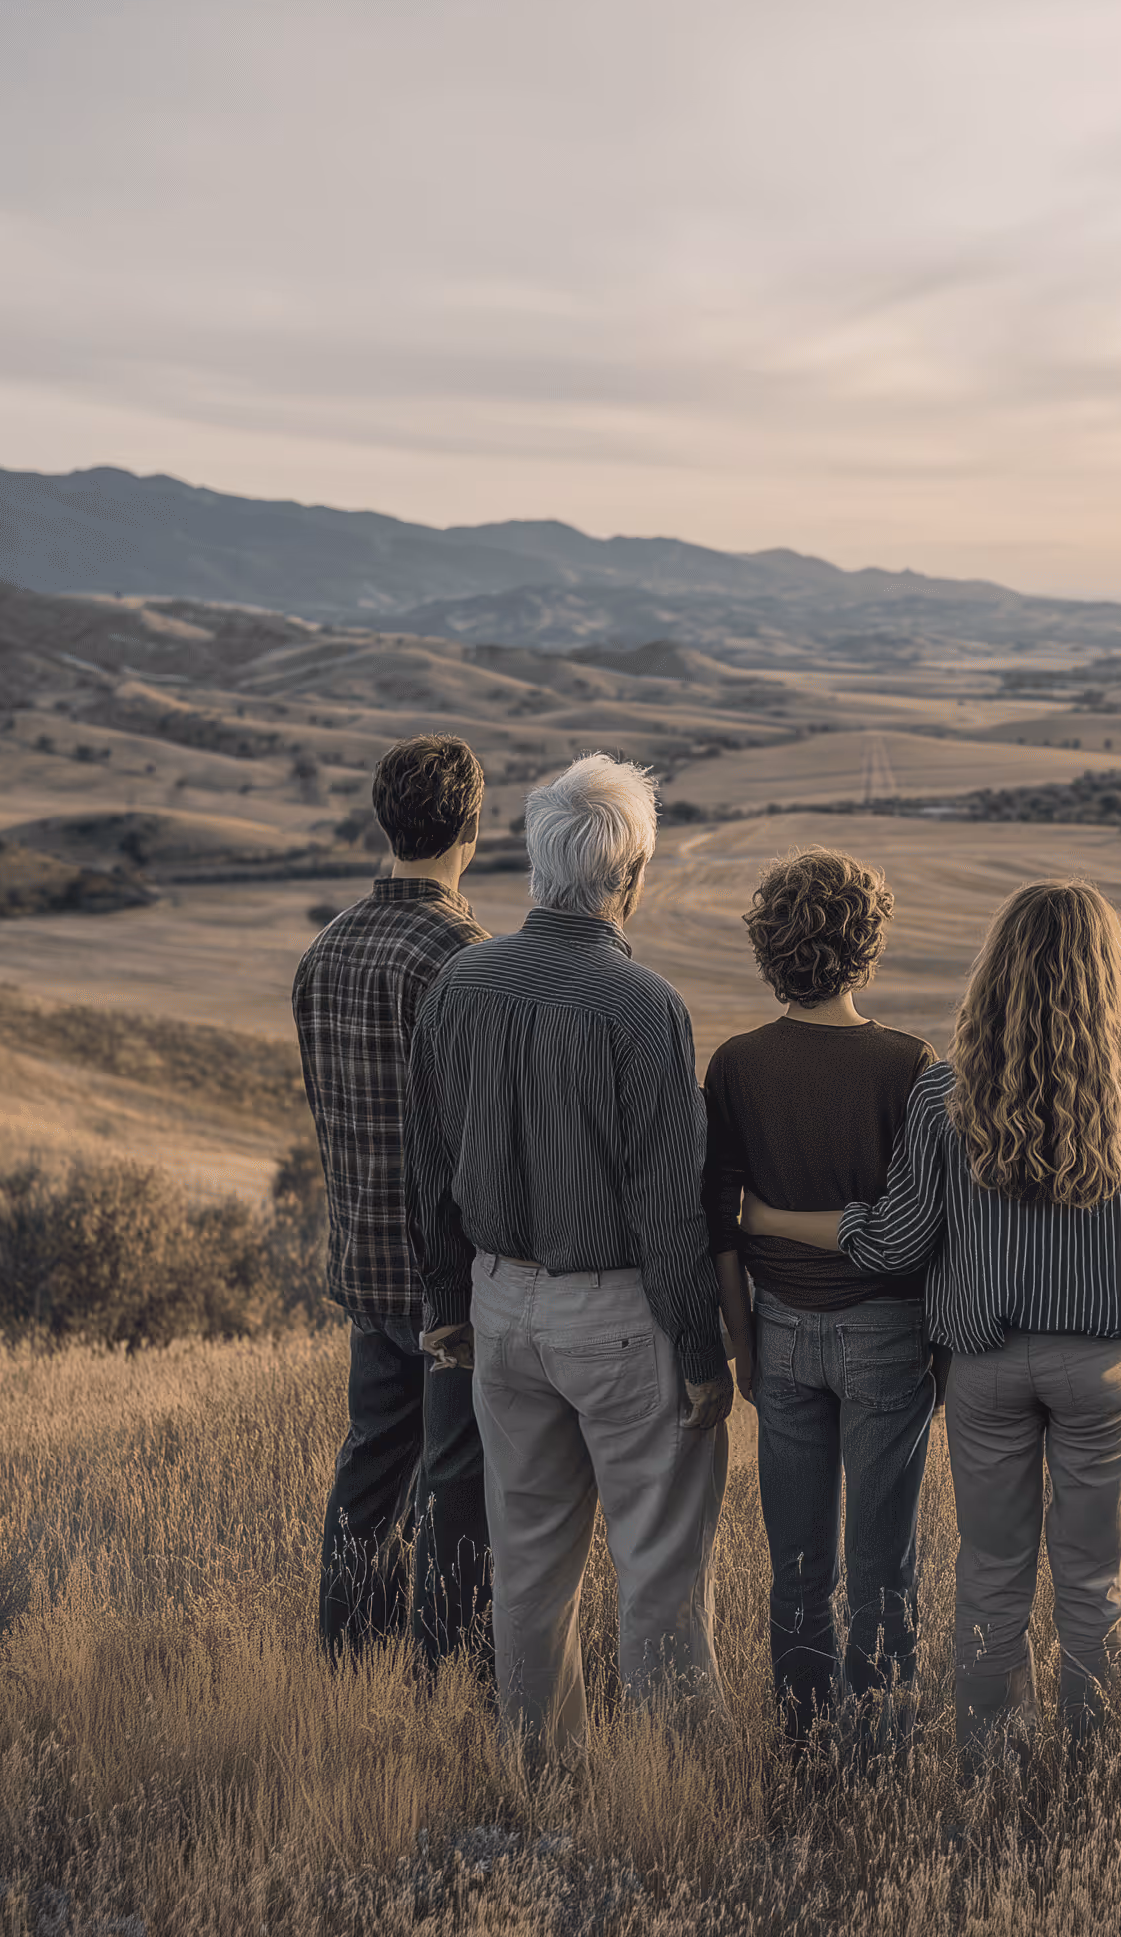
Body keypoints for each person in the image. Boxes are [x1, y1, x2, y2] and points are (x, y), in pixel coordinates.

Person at [743, 879, 1121, 1769]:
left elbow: (897, 1238)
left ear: (995, 975)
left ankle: (993, 1770)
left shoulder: (947, 1094)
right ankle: (1092, 1773)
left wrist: (770, 1221)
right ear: (1112, 978)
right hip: (1104, 1363)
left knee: (991, 1579)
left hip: (984, 1368)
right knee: (1097, 1585)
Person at [405, 753, 733, 1762]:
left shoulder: (458, 982)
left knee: (529, 1564)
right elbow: (667, 1207)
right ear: (628, 875)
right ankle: (671, 1783)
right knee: (658, 1567)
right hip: (621, 1316)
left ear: (535, 865)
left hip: (500, 1306)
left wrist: (445, 1301)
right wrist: (701, 1350)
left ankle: (535, 1774)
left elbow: (431, 1164)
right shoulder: (642, 1006)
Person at [705, 848, 938, 1757]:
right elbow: (926, 1228)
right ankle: (880, 1762)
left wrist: (742, 1345)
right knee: (884, 1571)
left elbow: (719, 1222)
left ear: (769, 948)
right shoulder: (908, 1065)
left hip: (780, 1333)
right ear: (868, 944)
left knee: (798, 1568)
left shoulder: (737, 1065)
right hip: (888, 1333)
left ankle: (803, 1757)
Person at [293, 731, 492, 1671]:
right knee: (457, 1476)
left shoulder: (324, 951)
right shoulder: (462, 955)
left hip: (363, 1254)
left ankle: (347, 1660)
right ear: (472, 830)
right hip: (449, 1269)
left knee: (371, 1467)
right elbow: (480, 1140)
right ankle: (443, 1669)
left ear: (387, 821)